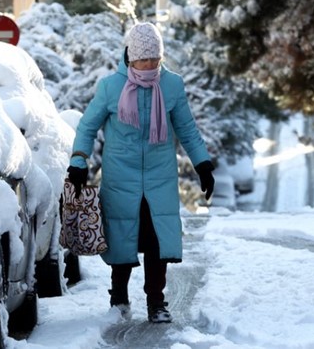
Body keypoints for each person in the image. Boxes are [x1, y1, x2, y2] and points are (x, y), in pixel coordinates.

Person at [66, 22, 214, 323]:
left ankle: (156, 301)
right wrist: (78, 162)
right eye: (145, 60)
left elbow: (186, 128)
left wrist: (202, 164)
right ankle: (118, 295)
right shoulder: (110, 87)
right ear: (131, 58)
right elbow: (87, 127)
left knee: (157, 240)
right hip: (121, 176)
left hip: (160, 176)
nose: (150, 66)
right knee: (122, 236)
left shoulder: (171, 85)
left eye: (155, 60)